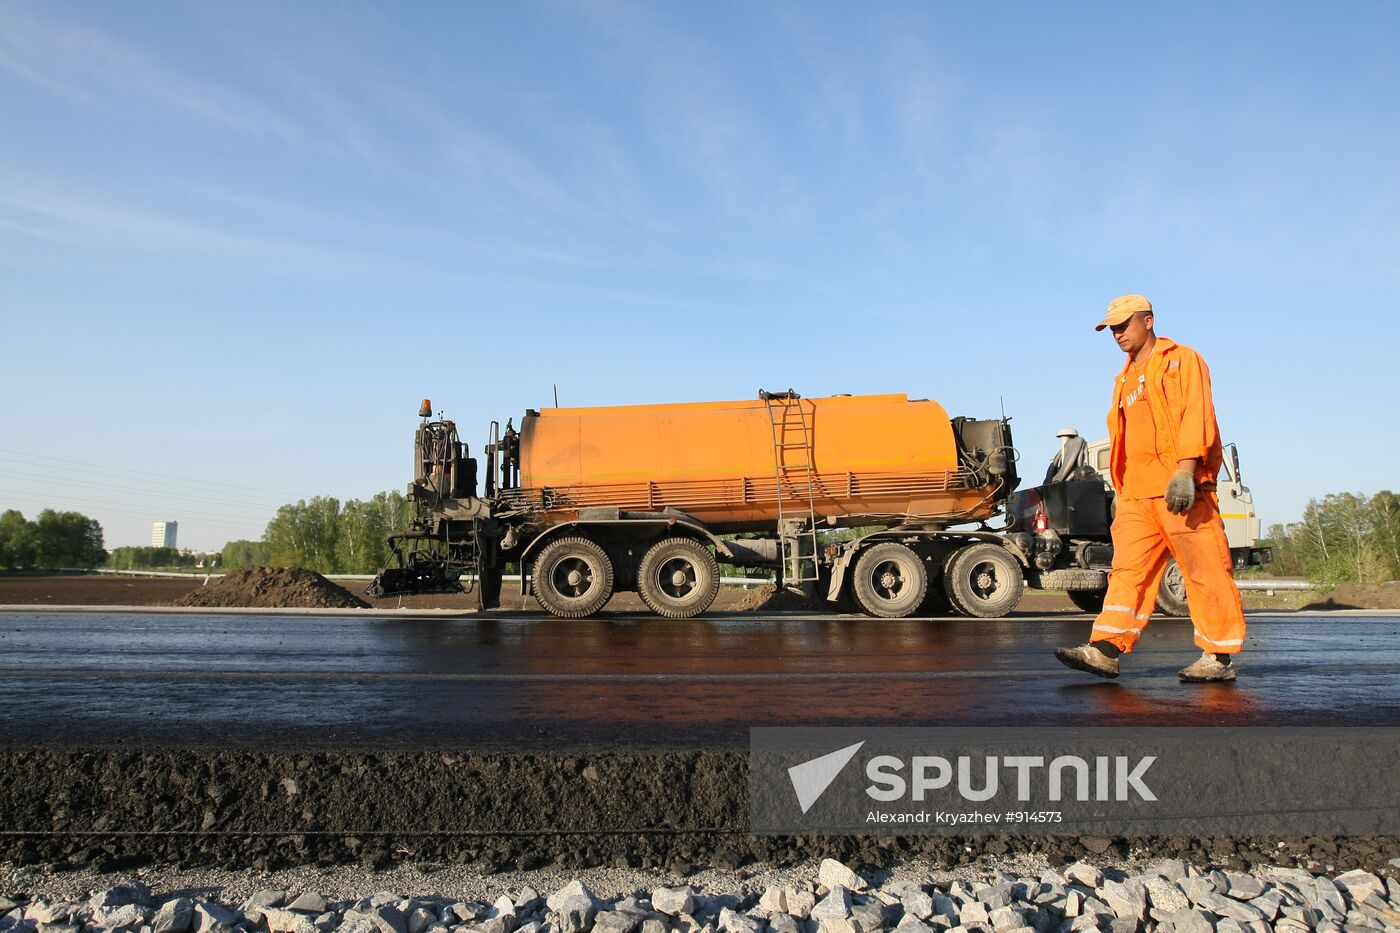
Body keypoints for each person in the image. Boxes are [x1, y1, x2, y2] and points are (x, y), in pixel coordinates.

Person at [1054, 294, 1246, 682]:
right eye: (1112, 328)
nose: (1118, 334)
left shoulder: (1181, 360)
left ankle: (1219, 657)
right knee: (1128, 572)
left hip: (1180, 491)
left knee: (1205, 569)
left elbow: (1197, 413)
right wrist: (1122, 490)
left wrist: (1185, 471)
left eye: (1125, 325)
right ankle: (1106, 649)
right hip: (1136, 496)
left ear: (1149, 320)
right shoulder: (1123, 378)